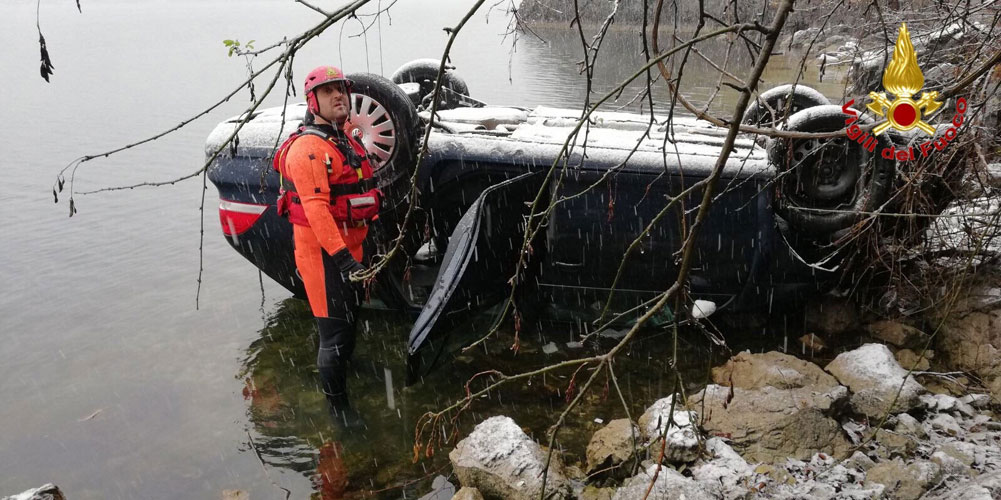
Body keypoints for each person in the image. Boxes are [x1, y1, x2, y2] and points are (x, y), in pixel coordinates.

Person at [277, 65, 382, 427]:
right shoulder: (308, 148)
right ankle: (338, 411)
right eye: (328, 92)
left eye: (341, 90)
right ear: (312, 101)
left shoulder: (344, 139)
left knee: (349, 324)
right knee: (334, 334)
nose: (338, 96)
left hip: (352, 250)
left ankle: (341, 374)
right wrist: (343, 261)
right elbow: (317, 211)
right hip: (323, 258)